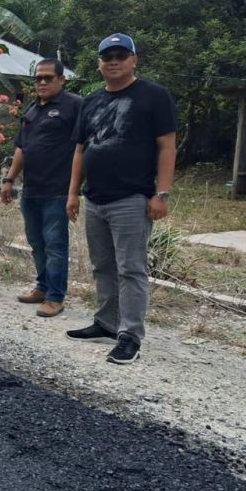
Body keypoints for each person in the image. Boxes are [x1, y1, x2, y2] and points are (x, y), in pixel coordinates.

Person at [66, 33, 177, 365]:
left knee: (131, 269)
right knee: (103, 266)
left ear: (133, 60)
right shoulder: (90, 101)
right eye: (107, 56)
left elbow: (167, 146)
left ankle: (130, 335)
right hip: (94, 198)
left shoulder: (154, 96)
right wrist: (72, 192)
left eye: (120, 54)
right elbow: (80, 149)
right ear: (99, 63)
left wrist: (162, 193)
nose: (113, 61)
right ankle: (106, 323)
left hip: (131, 197)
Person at [0, 59, 82, 318]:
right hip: (31, 189)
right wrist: (9, 179)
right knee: (37, 243)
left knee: (55, 244)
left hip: (58, 190)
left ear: (61, 79)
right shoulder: (33, 110)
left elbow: (83, 147)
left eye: (48, 77)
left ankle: (56, 297)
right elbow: (21, 148)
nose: (43, 82)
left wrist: (75, 190)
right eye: (38, 78)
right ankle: (42, 287)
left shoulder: (74, 106)